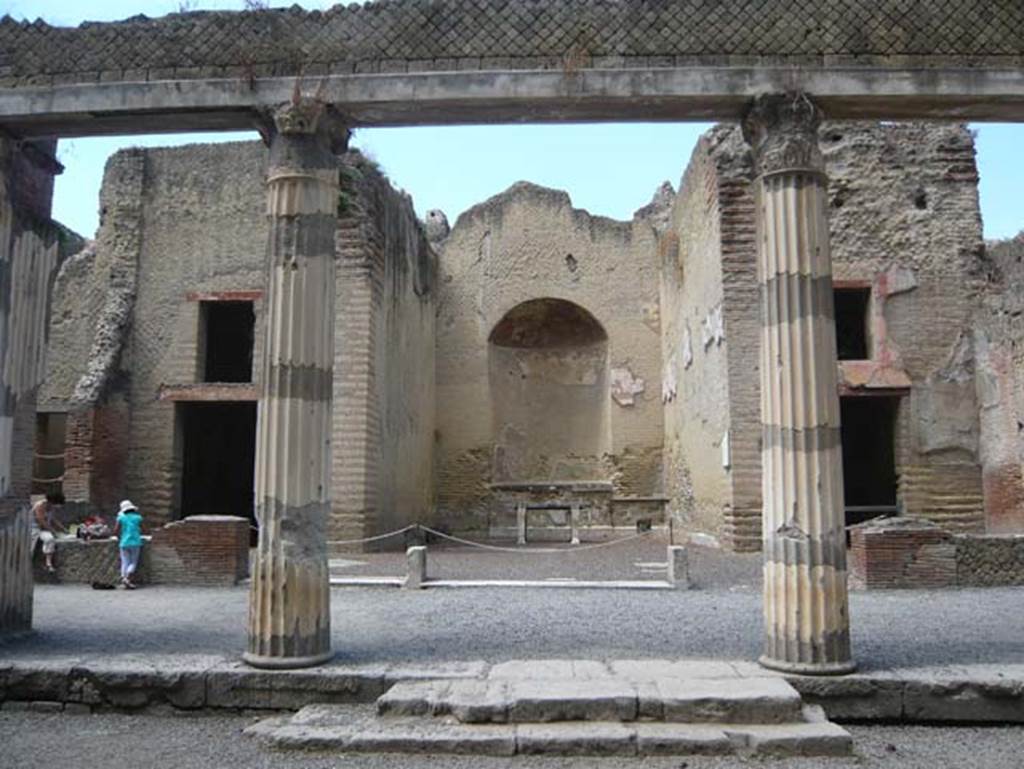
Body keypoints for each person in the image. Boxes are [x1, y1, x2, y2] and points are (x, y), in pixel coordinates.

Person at [31, 492, 67, 573]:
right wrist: (53, 531)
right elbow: (41, 521)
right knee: (31, 546)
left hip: (43, 530)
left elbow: (53, 519)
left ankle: (48, 563)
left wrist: (63, 529)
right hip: (34, 529)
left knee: (50, 539)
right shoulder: (40, 505)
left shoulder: (51, 508)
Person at [113, 499, 144, 589]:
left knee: (125, 561)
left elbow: (115, 530)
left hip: (124, 542)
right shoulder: (138, 518)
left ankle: (124, 578)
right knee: (133, 562)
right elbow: (144, 529)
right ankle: (128, 577)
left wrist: (119, 537)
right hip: (135, 542)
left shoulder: (121, 518)